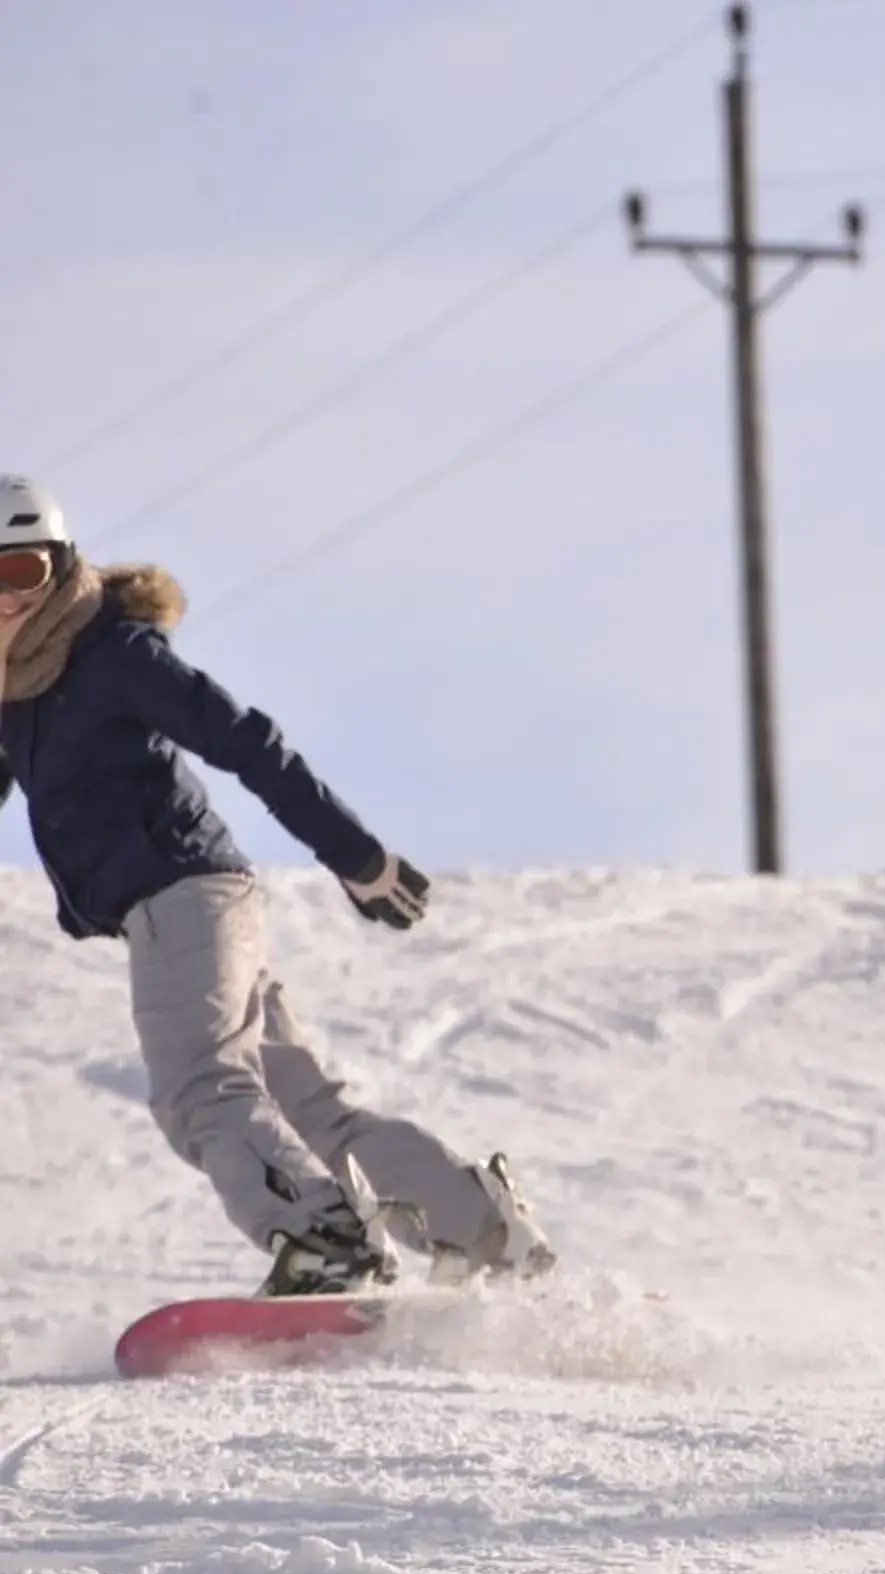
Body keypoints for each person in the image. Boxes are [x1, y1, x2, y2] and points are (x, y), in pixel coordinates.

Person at [0, 473, 550, 1296]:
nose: (6, 600)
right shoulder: (15, 695)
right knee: (309, 1111)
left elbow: (246, 742)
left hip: (184, 898)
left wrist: (356, 855)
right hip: (193, 907)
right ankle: (481, 1226)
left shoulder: (111, 651)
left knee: (200, 1090)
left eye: (21, 574)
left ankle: (326, 1237)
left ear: (61, 562)